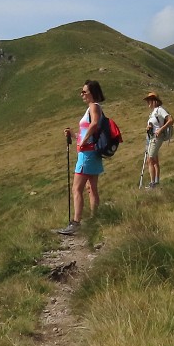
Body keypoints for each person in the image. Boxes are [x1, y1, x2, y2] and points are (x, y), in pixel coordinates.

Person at [59, 79, 105, 234]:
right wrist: (74, 135)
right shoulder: (95, 108)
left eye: (84, 91)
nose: (82, 94)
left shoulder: (93, 107)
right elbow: (90, 131)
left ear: (92, 93)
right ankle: (94, 219)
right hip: (93, 152)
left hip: (87, 154)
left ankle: (76, 223)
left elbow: (94, 125)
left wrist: (82, 142)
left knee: (76, 189)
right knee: (91, 188)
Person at [142, 91, 173, 188]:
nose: (149, 102)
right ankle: (156, 182)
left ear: (155, 101)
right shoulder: (153, 112)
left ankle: (152, 184)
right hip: (151, 137)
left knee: (150, 159)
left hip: (156, 137)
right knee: (154, 160)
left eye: (150, 100)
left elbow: (171, 120)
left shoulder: (160, 110)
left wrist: (160, 129)